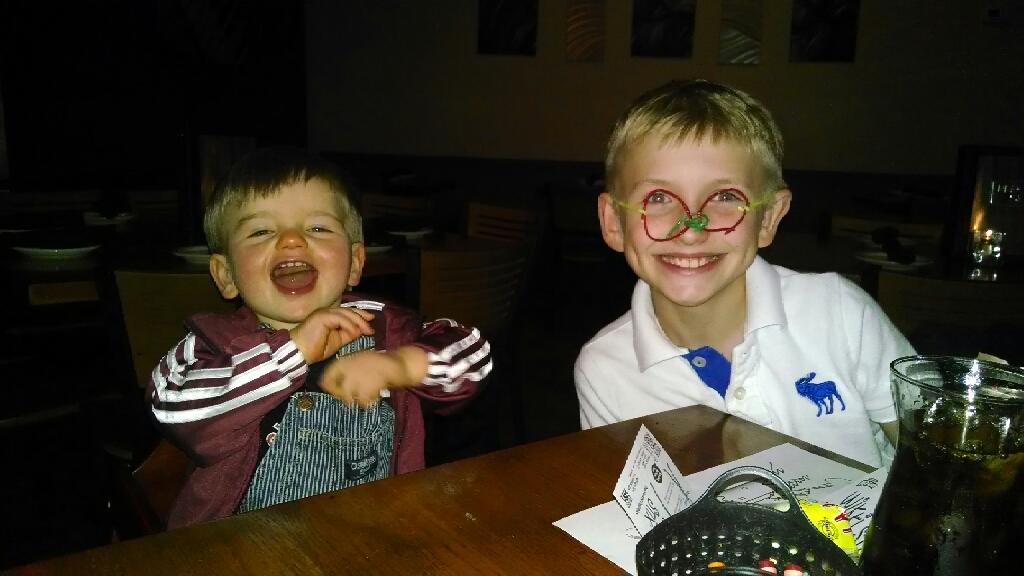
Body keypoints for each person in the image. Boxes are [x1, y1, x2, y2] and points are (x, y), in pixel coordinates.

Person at [574, 79, 913, 468]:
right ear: (613, 222)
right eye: (659, 198)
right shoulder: (605, 369)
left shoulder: (841, 314)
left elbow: (934, 458)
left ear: (767, 218)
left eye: (725, 197)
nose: (692, 230)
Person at [147, 148, 492, 528]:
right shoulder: (212, 345)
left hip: (372, 534)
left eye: (317, 228)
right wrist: (290, 352)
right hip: (242, 545)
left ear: (355, 263)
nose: (291, 241)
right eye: (261, 231)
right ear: (226, 275)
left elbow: (473, 354)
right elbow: (171, 408)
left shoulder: (385, 330)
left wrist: (405, 364)